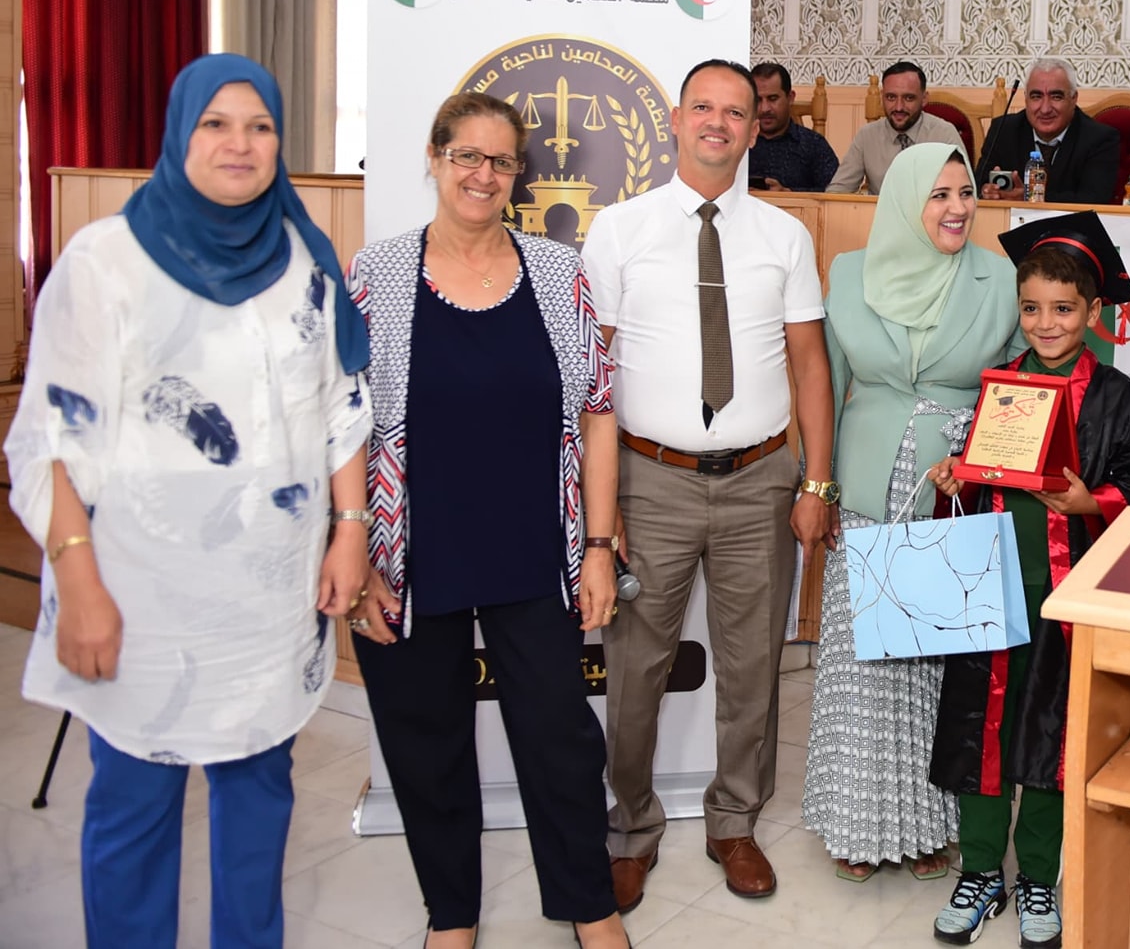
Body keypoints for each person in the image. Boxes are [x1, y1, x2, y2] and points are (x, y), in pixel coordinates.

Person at [6, 54, 372, 949]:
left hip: (269, 602)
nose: (239, 144)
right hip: (139, 596)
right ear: (179, 134)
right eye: (216, 124)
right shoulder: (107, 262)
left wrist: (349, 529)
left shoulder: (303, 258)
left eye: (260, 127)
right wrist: (78, 584)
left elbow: (340, 406)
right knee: (134, 811)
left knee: (259, 805)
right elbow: (51, 438)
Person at [345, 91, 627, 949]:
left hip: (535, 550)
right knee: (425, 745)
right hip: (408, 555)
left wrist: (600, 548)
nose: (483, 173)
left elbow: (599, 413)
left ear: (517, 174)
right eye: (466, 155)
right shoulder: (376, 274)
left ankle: (590, 907)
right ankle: (452, 916)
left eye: (501, 160)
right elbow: (341, 422)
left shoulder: (558, 272)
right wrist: (354, 550)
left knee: (561, 742)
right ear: (434, 159)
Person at [582, 58, 837, 908]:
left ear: (755, 125)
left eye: (735, 111)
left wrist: (817, 484)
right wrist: (599, 508)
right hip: (649, 482)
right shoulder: (619, 230)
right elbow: (594, 378)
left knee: (752, 666)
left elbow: (810, 367)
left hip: (761, 481)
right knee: (634, 671)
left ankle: (734, 821)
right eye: (704, 108)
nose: (719, 123)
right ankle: (630, 827)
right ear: (676, 118)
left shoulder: (784, 235)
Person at [927, 212, 1130, 948]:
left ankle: (1038, 874)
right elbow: (982, 475)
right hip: (993, 587)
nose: (1046, 323)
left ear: (1093, 313)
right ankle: (979, 870)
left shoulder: (1114, 396)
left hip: (1067, 595)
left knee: (1048, 733)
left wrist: (1090, 502)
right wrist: (956, 477)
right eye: (1031, 308)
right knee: (981, 729)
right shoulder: (1004, 386)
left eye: (1063, 309)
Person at [803, 145, 1022, 883]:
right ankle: (857, 828)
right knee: (865, 666)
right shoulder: (848, 275)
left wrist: (978, 458)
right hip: (866, 489)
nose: (957, 208)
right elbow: (825, 387)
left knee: (937, 670)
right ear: (902, 200)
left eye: (965, 192)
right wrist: (819, 486)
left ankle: (931, 829)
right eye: (938, 194)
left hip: (953, 495)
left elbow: (1015, 390)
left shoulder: (1001, 281)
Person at [973, 58, 1122, 205]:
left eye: (1056, 97)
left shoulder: (1100, 139)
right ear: (1026, 99)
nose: (1045, 109)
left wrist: (1029, 197)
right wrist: (988, 192)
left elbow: (1094, 199)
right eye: (1036, 97)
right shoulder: (1003, 130)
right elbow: (976, 186)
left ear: (1073, 98)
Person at [826, 61, 966, 194]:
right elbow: (837, 192)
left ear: (924, 99)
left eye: (908, 98)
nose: (899, 107)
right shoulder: (867, 136)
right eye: (891, 97)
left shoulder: (945, 134)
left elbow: (964, 192)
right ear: (882, 97)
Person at [748, 61, 840, 191]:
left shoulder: (813, 144)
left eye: (773, 99)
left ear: (790, 98)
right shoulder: (738, 143)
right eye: (758, 100)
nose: (765, 108)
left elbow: (835, 192)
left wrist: (788, 193)